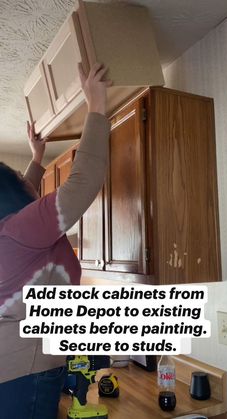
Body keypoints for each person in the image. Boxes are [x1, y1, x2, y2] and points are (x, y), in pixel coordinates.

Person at [0, 62, 112, 419]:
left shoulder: (10, 231)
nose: (25, 179)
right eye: (20, 176)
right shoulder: (20, 230)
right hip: (27, 372)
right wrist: (96, 104)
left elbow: (25, 197)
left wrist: (36, 159)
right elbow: (83, 183)